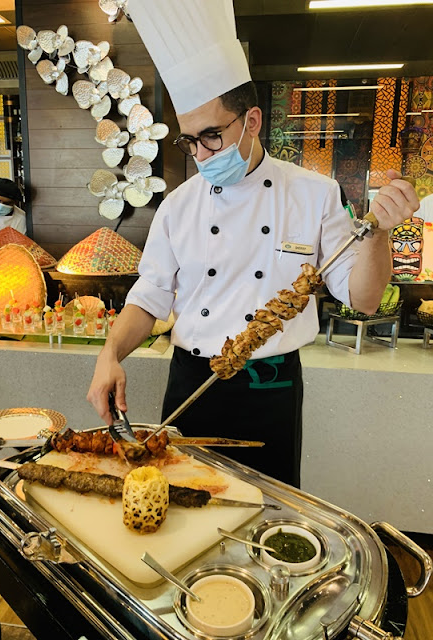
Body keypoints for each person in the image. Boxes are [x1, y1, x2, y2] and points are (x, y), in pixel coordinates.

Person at [87, 0, 419, 487]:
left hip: (272, 388)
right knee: (180, 506)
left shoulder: (314, 194)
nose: (200, 154)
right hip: (191, 383)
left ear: (252, 121)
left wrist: (380, 233)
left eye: (212, 136)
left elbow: (364, 299)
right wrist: (110, 354)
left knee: (268, 513)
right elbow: (150, 296)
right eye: (188, 141)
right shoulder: (178, 206)